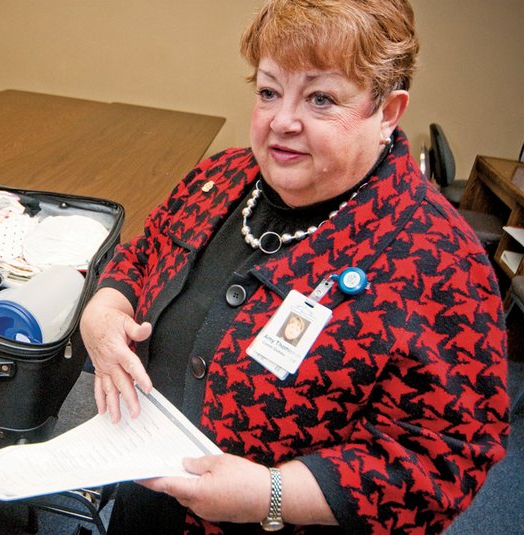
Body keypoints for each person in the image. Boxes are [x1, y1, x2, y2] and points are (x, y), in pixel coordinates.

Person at [79, 0, 509, 533]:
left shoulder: (440, 260)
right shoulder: (219, 177)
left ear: (388, 113)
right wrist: (104, 308)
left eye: (321, 98)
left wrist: (272, 495)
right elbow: (143, 253)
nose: (282, 121)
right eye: (268, 91)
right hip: (144, 498)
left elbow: (445, 459)